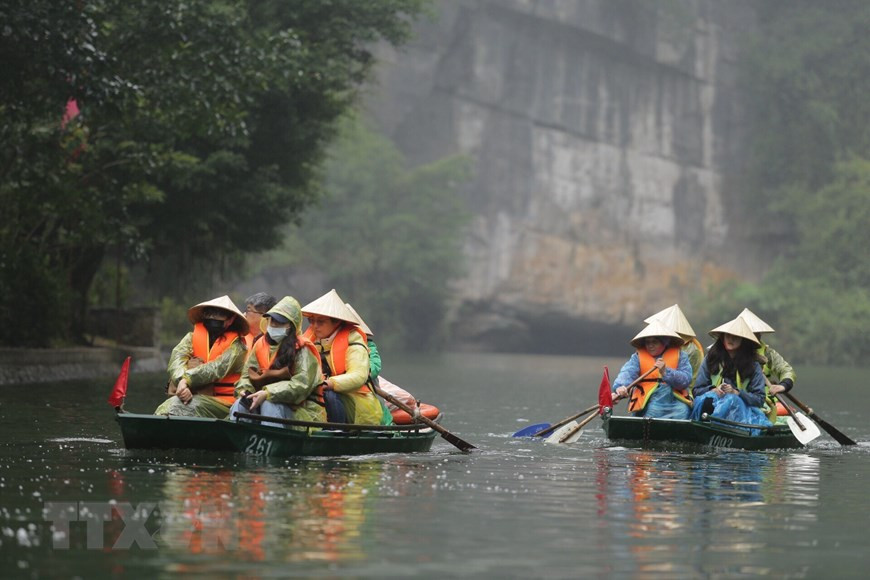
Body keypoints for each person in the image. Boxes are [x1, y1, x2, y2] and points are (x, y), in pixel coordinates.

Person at [229, 296, 325, 429]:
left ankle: (271, 442)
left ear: (291, 326)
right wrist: (245, 391)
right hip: (263, 400)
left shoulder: (304, 350)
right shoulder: (260, 344)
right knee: (241, 403)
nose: (273, 325)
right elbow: (246, 376)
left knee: (270, 403)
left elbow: (301, 385)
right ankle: (238, 437)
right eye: (272, 320)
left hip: (301, 412)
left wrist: (268, 393)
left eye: (280, 323)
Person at [155, 295, 249, 418]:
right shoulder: (191, 337)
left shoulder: (238, 346)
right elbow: (176, 361)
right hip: (191, 393)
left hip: (224, 403)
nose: (212, 317)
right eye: (208, 313)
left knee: (189, 405)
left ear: (230, 320)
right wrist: (183, 385)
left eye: (218, 314)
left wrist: (187, 380)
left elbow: (216, 368)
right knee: (167, 406)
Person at [301, 289, 386, 425]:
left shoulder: (353, 341)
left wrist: (329, 383)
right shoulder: (310, 339)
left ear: (336, 323)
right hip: (317, 396)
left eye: (321, 322)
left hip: (355, 404)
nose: (315, 326)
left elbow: (359, 375)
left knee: (329, 394)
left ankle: (336, 431)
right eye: (311, 320)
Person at [691, 317, 772, 430]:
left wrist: (736, 392)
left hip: (741, 411)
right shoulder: (711, 359)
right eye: (727, 336)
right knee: (709, 400)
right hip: (712, 406)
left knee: (731, 400)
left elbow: (759, 399)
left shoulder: (753, 365)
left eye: (736, 337)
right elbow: (696, 391)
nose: (730, 339)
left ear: (744, 341)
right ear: (722, 338)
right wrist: (713, 390)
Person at [612, 320, 693, 419]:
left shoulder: (681, 355)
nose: (650, 345)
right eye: (648, 342)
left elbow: (686, 380)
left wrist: (665, 372)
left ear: (664, 343)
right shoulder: (637, 357)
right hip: (649, 400)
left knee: (683, 411)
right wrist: (620, 387)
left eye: (655, 342)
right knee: (654, 410)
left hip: (675, 401)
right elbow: (627, 372)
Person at [644, 304, 705, 387]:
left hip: (684, 390)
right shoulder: (656, 346)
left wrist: (665, 372)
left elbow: (687, 379)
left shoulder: (689, 349)